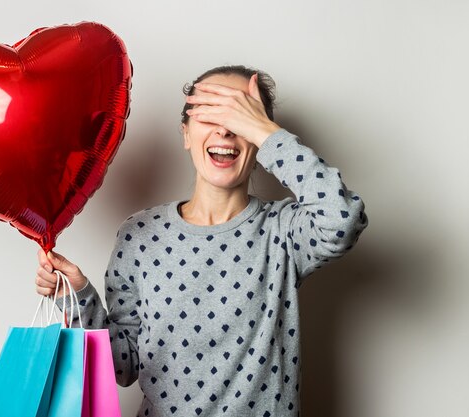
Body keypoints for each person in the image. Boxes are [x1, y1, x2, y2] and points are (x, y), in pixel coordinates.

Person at [35, 65, 368, 417]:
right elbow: (124, 366)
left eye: (239, 116)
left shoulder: (283, 230)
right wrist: (75, 297)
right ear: (186, 133)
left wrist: (264, 130)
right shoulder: (138, 235)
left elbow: (342, 217)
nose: (225, 129)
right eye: (210, 114)